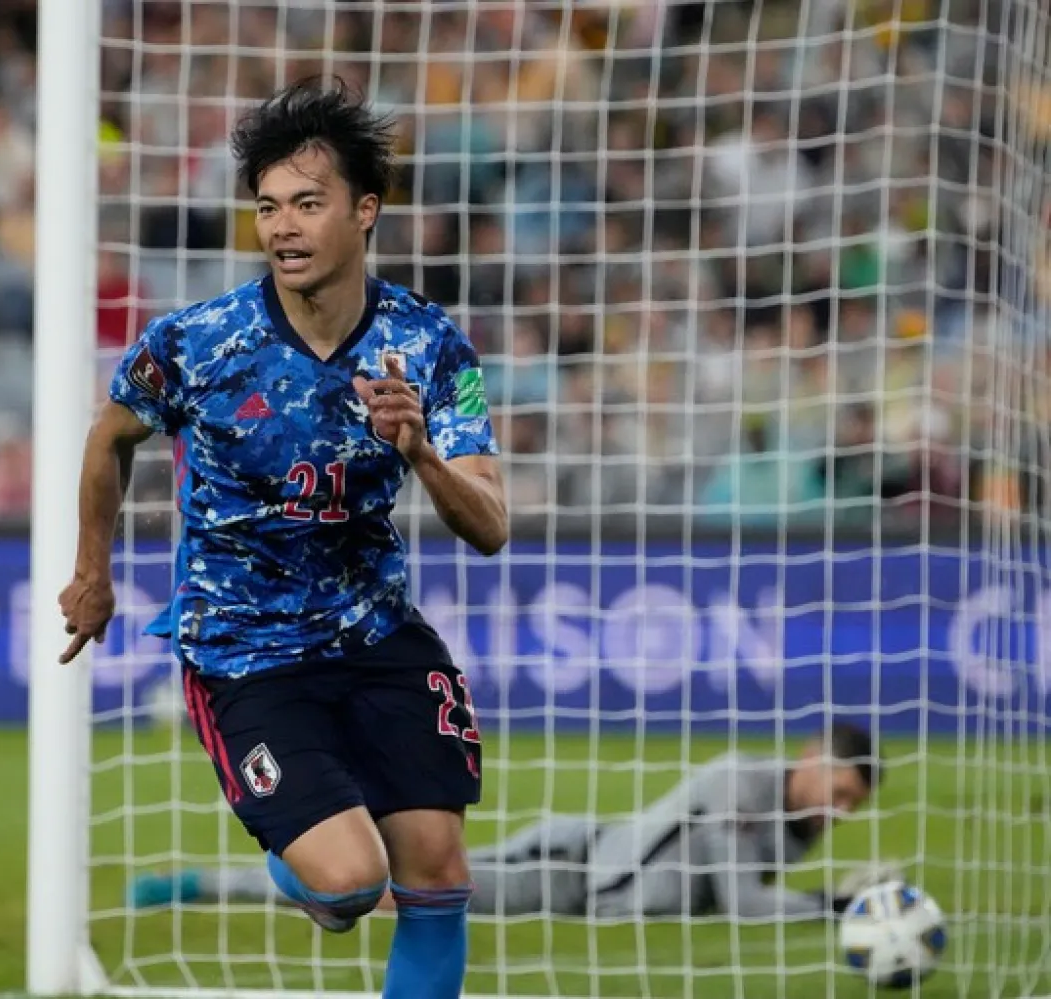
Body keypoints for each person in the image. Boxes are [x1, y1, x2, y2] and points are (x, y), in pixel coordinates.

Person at [58, 77, 507, 999]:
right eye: (268, 207)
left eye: (308, 202)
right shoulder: (198, 341)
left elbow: (491, 525)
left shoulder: (430, 347)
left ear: (364, 211)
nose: (283, 227)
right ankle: (302, 865)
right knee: (350, 885)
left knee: (437, 863)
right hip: (244, 651)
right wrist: (91, 571)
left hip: (377, 634)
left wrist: (419, 451)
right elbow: (110, 434)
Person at [132, 722, 895, 921]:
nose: (840, 806)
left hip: (580, 864)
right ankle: (203, 883)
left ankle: (215, 883)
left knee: (398, 891)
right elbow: (742, 904)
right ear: (812, 753)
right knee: (392, 894)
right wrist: (838, 904)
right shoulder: (741, 782)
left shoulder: (801, 823)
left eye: (852, 804)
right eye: (840, 786)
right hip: (570, 870)